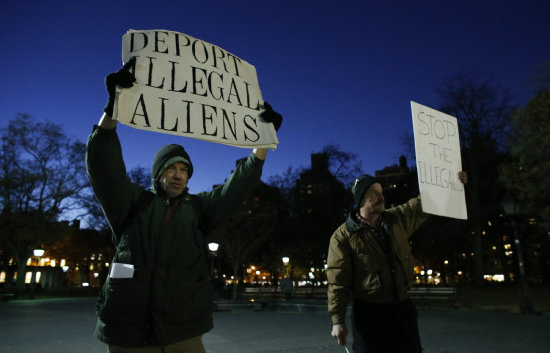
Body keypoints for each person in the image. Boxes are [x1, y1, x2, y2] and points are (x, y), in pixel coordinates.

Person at [86, 59, 282, 352]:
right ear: (158, 172)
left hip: (183, 328)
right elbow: (103, 166)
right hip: (128, 329)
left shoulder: (199, 209)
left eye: (185, 170)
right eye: (172, 168)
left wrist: (263, 142)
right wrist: (114, 107)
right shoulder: (132, 202)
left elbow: (237, 187)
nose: (179, 175)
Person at [327, 173, 467, 353]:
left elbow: (422, 204)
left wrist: (451, 183)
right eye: (374, 193)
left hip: (402, 308)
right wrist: (337, 321)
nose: (381, 197)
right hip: (370, 314)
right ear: (361, 200)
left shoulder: (395, 219)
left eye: (381, 192)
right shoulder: (343, 237)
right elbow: (338, 281)